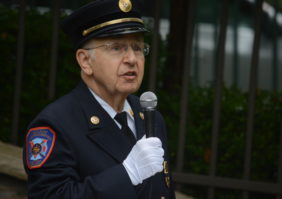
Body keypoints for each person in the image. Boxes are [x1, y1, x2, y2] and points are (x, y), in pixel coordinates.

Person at [22, 0, 175, 198]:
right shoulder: (55, 125)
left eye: (137, 48)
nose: (131, 59)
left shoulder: (150, 117)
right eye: (117, 48)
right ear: (85, 61)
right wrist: (126, 174)